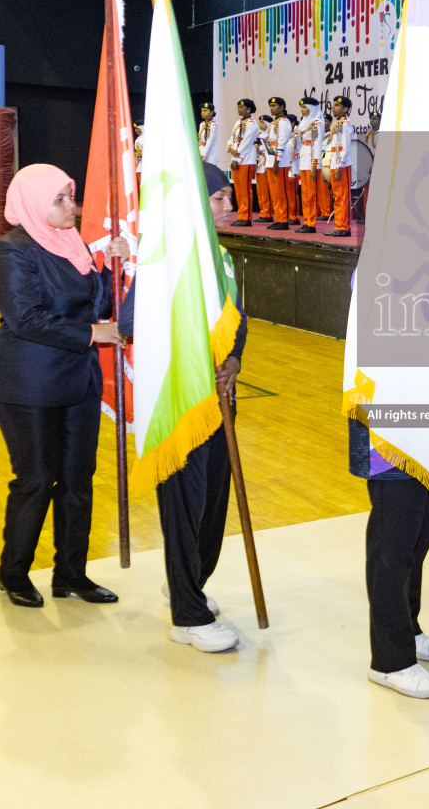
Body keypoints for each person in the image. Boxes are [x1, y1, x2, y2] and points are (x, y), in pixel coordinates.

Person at [0, 164, 128, 608]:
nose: (72, 206)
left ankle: (71, 573)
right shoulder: (11, 252)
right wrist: (91, 334)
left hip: (77, 380)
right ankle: (12, 573)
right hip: (29, 382)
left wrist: (113, 268)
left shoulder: (74, 244)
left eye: (72, 196)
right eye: (61, 199)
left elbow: (98, 303)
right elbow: (25, 318)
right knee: (36, 478)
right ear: (32, 201)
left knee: (77, 479)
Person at [118, 164, 247, 652]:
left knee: (214, 505)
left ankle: (189, 584)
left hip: (217, 402)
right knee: (184, 506)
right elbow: (131, 320)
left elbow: (240, 321)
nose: (230, 209)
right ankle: (187, 617)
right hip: (179, 400)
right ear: (196, 203)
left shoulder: (223, 259)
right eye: (220, 199)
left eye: (229, 199)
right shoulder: (165, 258)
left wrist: (234, 358)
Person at [350, 415, 429, 698]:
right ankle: (390, 660)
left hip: (428, 425)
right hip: (391, 423)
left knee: (419, 530)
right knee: (394, 539)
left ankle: (407, 628)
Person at [323, 96, 354, 237]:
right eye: (333, 105)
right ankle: (339, 225)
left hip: (342, 165)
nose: (333, 107)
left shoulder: (346, 124)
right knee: (337, 196)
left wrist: (340, 167)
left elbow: (346, 148)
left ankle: (344, 227)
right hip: (334, 164)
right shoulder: (337, 125)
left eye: (337, 105)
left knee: (343, 197)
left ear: (345, 109)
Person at [294, 96, 324, 234]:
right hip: (303, 159)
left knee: (311, 195)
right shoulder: (304, 122)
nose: (302, 109)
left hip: (311, 159)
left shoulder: (317, 122)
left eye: (305, 107)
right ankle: (306, 221)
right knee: (305, 194)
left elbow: (318, 145)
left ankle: (311, 223)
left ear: (312, 109)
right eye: (301, 107)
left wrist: (314, 165)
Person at [265, 97, 296, 229]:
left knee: (281, 192)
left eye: (274, 106)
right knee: (274, 193)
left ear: (282, 107)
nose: (272, 108)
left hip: (280, 162)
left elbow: (282, 142)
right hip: (271, 160)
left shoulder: (284, 122)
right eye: (270, 106)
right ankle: (278, 218)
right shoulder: (274, 123)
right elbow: (270, 141)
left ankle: (283, 220)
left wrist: (277, 161)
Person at [228, 99, 259, 227]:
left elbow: (246, 142)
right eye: (238, 107)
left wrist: (236, 158)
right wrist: (230, 147)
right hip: (236, 158)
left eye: (242, 107)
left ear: (249, 109)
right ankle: (241, 215)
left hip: (246, 159)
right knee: (239, 190)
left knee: (245, 190)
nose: (239, 109)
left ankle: (246, 217)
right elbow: (232, 138)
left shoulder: (252, 124)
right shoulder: (237, 123)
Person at [198, 103, 226, 172]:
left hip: (210, 153)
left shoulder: (213, 125)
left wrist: (203, 154)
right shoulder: (202, 124)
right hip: (201, 150)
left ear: (211, 113)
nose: (202, 113)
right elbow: (200, 139)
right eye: (202, 111)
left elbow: (210, 141)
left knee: (210, 172)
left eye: (205, 111)